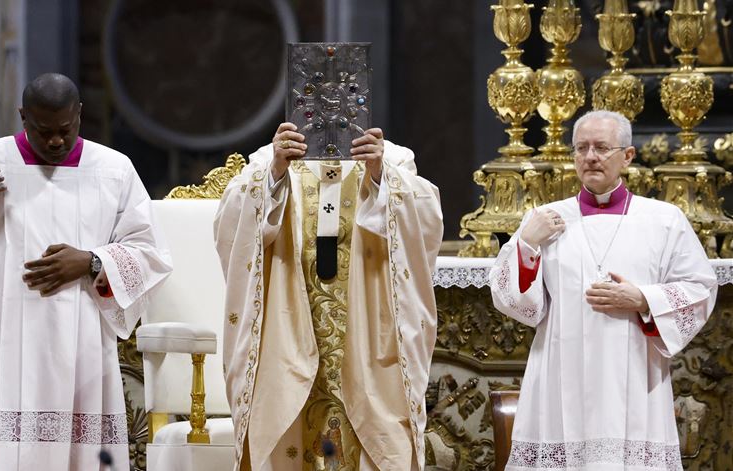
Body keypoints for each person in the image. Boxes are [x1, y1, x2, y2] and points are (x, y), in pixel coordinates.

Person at [0, 73, 172, 470]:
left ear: (79, 115)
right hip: (6, 337)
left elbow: (150, 253)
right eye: (43, 130)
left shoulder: (114, 170)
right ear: (23, 117)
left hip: (82, 342)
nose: (55, 141)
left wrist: (91, 261)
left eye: (65, 130)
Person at [490, 110, 717, 470]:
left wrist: (643, 299)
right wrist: (527, 248)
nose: (590, 157)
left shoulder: (663, 220)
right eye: (581, 148)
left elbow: (700, 289)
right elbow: (516, 303)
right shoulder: (546, 219)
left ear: (627, 156)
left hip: (635, 376)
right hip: (560, 374)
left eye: (601, 147)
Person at [214, 122, 443, 470]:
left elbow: (426, 222)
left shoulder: (391, 157)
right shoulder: (270, 158)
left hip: (365, 342)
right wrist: (275, 173)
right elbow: (231, 228)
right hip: (288, 334)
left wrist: (381, 176)